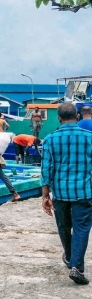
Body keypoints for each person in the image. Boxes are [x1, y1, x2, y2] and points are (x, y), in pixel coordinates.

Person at [41, 103, 92, 285]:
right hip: (84, 192)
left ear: (59, 118)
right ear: (77, 117)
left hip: (60, 193)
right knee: (81, 228)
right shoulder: (89, 137)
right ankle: (76, 266)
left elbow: (46, 169)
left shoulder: (49, 139)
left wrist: (45, 195)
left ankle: (71, 258)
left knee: (63, 227)